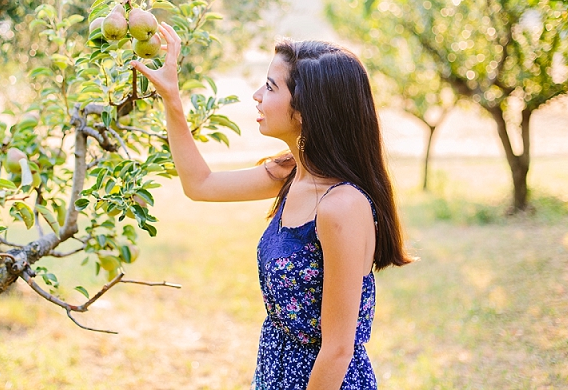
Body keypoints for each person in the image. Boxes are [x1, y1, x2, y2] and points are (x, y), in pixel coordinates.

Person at [131, 23, 413, 389]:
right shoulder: (291, 173)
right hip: (276, 372)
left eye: (270, 87)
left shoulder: (340, 207)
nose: (256, 96)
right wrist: (171, 97)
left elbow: (338, 350)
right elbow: (200, 185)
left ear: (306, 110)